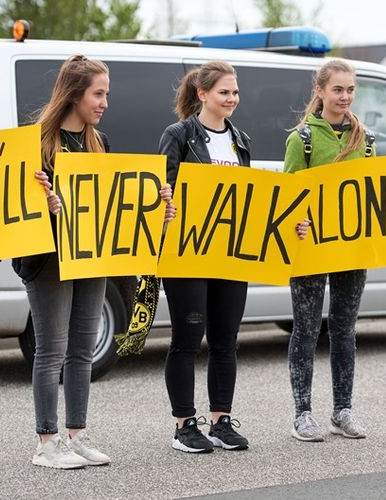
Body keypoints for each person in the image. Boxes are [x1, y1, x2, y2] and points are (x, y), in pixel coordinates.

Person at [17, 55, 175, 469]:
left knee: (83, 347)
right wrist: (43, 203)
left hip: (91, 255)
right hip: (49, 258)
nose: (105, 102)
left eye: (107, 93)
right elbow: (16, 205)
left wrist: (156, 208)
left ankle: (76, 435)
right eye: (98, 93)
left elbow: (113, 205)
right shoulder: (37, 143)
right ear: (73, 94)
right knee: (51, 349)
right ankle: (46, 441)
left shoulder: (99, 143)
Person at [284, 59, 386, 442]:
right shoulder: (301, 139)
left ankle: (342, 410)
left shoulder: (366, 139)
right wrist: (296, 222)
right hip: (311, 249)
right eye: (338, 89)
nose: (345, 96)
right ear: (319, 91)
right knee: (305, 329)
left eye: (351, 89)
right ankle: (302, 414)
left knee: (344, 329)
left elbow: (376, 197)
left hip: (352, 250)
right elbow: (284, 197)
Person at [158, 61, 252, 453]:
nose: (231, 99)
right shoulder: (179, 135)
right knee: (187, 339)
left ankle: (221, 421)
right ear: (202, 95)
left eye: (234, 92)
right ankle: (184, 425)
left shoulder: (240, 140)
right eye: (223, 92)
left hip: (229, 256)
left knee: (226, 340)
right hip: (187, 254)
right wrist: (165, 202)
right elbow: (160, 188)